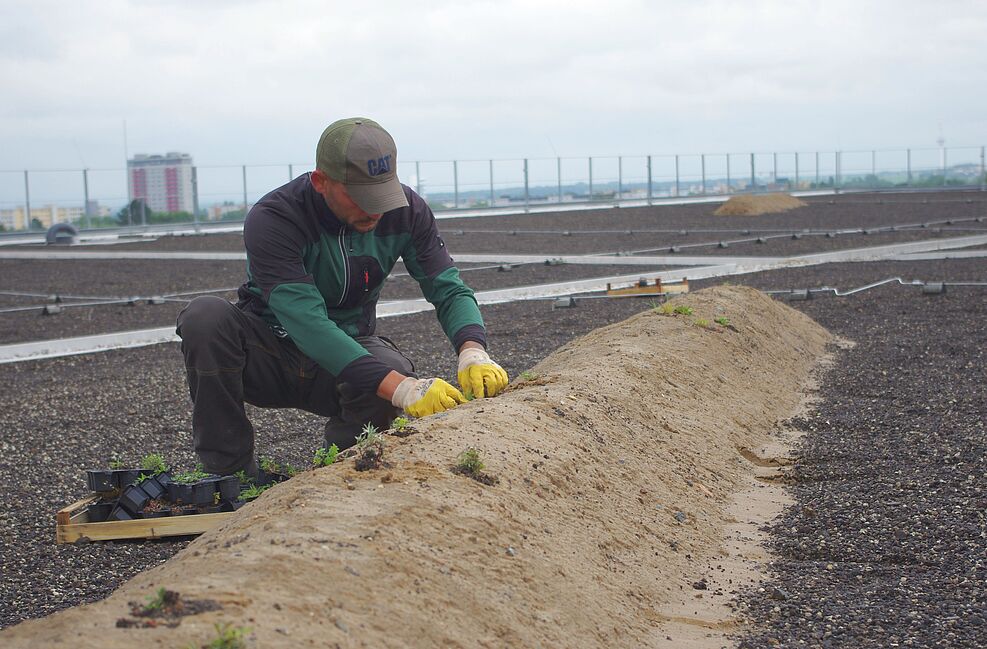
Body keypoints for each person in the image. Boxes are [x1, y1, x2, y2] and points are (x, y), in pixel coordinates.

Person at [176, 117, 508, 477]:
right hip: (270, 352)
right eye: (361, 197)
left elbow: (448, 287)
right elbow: (308, 323)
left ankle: (343, 474)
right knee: (205, 319)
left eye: (382, 195)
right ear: (321, 182)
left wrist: (473, 350)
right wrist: (404, 391)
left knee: (389, 367)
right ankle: (230, 476)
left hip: (347, 355)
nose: (374, 211)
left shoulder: (407, 212)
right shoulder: (275, 218)